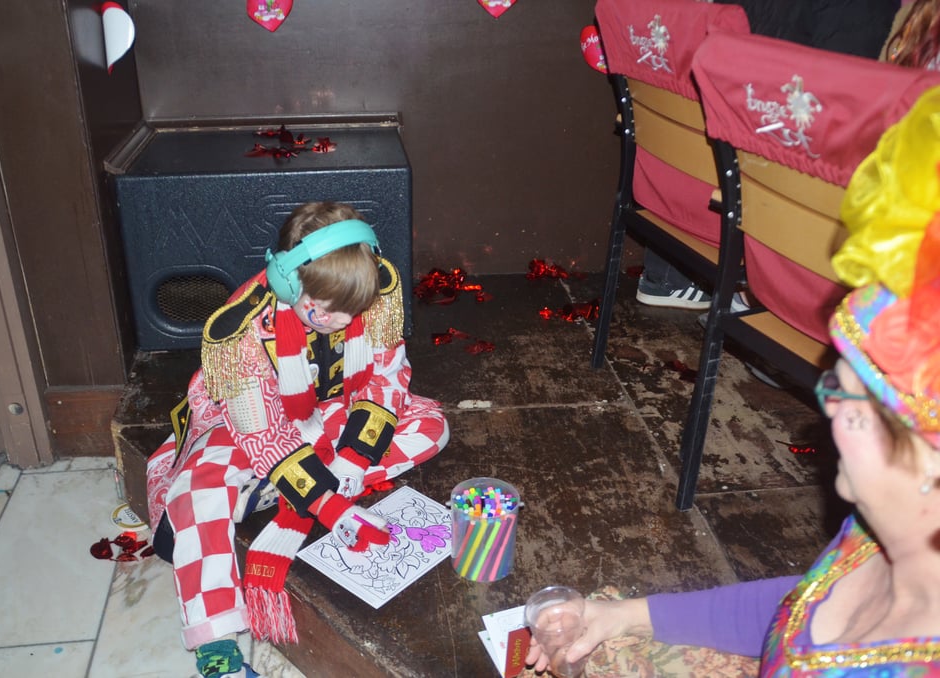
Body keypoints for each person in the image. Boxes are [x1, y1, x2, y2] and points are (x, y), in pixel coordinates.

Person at [527, 87, 940, 676]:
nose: (826, 413)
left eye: (852, 405)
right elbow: (802, 604)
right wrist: (620, 617)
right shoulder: (884, 532)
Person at [144, 201, 450, 678]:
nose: (342, 320)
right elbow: (262, 432)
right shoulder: (240, 331)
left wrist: (352, 460)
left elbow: (386, 379)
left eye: (351, 310)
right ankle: (216, 648)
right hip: (249, 424)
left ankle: (282, 487)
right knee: (199, 488)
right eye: (325, 309)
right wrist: (331, 507)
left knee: (432, 426)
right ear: (288, 283)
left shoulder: (373, 293)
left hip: (334, 412)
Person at [636, 0, 901, 311]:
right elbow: (835, 111)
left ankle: (685, 275)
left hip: (684, 174)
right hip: (757, 203)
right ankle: (760, 295)